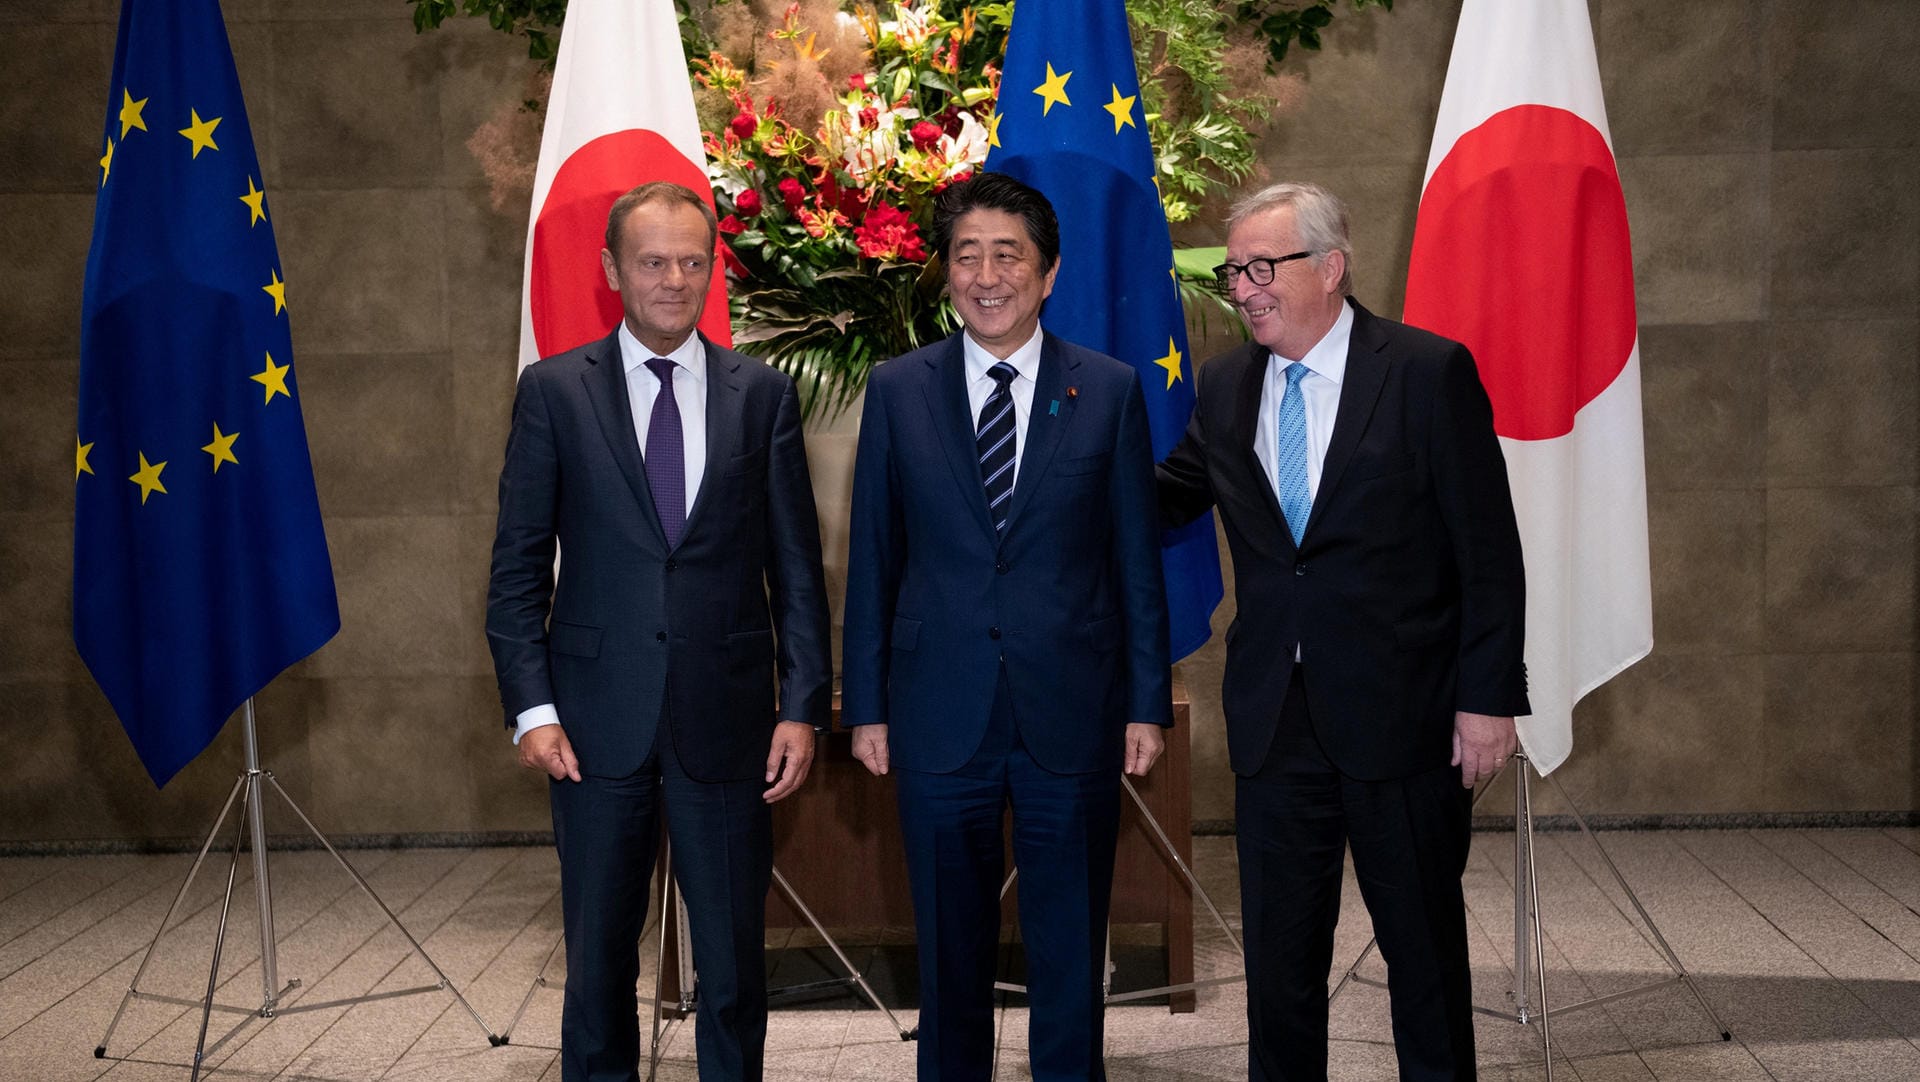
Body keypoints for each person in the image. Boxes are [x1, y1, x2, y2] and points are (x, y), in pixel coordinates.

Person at [1157, 182, 1529, 1081]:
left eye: (1260, 267)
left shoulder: (1426, 372)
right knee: (1280, 971)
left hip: (1405, 720)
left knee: (1424, 961)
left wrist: (1487, 702)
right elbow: (1164, 495)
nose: (1242, 288)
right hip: (1275, 723)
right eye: (1232, 270)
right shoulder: (1225, 383)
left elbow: (1488, 553)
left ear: (1330, 266)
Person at [485, 181, 831, 1082]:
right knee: (598, 962)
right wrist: (532, 709)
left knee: (729, 967)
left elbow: (796, 569)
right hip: (594, 726)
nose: (673, 279)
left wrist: (803, 705)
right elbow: (517, 569)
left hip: (730, 719)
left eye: (691, 260)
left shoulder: (763, 394)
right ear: (612, 271)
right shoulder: (554, 393)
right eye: (652, 262)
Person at [841, 171, 1172, 1082]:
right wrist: (865, 706)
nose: (987, 275)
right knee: (949, 953)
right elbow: (875, 556)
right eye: (966, 255)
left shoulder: (1105, 391)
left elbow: (1136, 564)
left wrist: (1147, 704)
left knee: (1070, 944)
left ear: (1049, 270)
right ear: (946, 272)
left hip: (1072, 710)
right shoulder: (898, 389)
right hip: (938, 712)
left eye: (1008, 254)